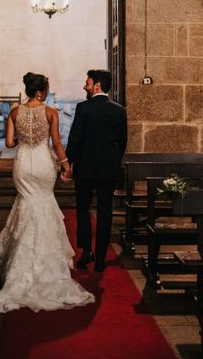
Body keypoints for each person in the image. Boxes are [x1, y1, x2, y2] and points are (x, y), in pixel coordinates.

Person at [0, 73, 95, 313]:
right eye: (46, 89)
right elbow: (56, 143)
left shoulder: (15, 112)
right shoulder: (50, 112)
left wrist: (25, 139)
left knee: (26, 205)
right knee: (44, 205)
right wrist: (67, 166)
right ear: (40, 91)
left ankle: (20, 268)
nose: (46, 92)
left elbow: (9, 144)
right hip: (44, 165)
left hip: (24, 164)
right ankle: (46, 268)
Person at [65, 70, 127, 273]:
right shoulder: (119, 110)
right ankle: (100, 258)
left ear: (97, 85)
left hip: (85, 169)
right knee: (105, 212)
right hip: (109, 169)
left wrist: (68, 163)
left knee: (83, 210)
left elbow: (75, 138)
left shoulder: (83, 108)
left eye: (87, 83)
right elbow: (122, 142)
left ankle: (86, 252)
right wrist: (113, 161)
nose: (85, 86)